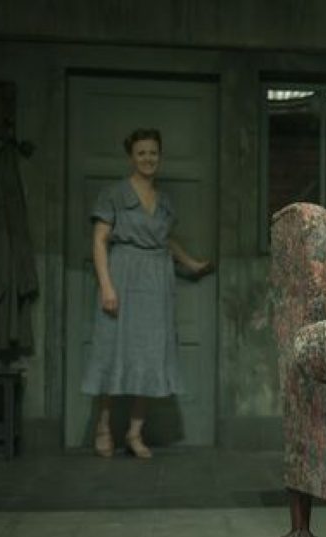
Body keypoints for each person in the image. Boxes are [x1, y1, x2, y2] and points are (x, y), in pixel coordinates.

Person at [81, 128, 213, 459]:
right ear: (131, 157)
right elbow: (99, 240)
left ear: (160, 157)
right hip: (123, 275)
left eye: (153, 153)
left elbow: (164, 240)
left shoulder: (164, 201)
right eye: (141, 153)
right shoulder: (113, 194)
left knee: (151, 355)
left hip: (157, 281)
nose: (148, 159)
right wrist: (106, 285)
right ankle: (103, 427)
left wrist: (191, 263)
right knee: (114, 351)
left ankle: (134, 433)